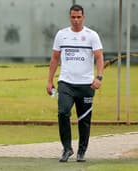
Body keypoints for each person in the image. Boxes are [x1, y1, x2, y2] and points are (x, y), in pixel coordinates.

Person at [46, 4, 104, 162]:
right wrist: (50, 81)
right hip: (66, 83)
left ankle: (81, 152)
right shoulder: (61, 35)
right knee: (63, 112)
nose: (76, 20)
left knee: (84, 119)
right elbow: (55, 58)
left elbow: (99, 57)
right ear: (69, 17)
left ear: (83, 17)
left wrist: (99, 77)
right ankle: (67, 148)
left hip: (86, 85)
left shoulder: (92, 35)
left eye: (79, 17)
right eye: (73, 17)